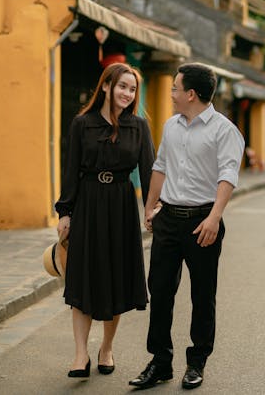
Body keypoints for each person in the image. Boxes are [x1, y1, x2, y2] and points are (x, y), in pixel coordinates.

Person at [129, 63, 244, 390]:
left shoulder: (225, 131)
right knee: (161, 291)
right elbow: (160, 167)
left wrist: (214, 217)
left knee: (202, 295)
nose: (172, 93)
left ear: (191, 94)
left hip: (202, 222)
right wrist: (150, 206)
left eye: (175, 88)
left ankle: (197, 363)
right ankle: (160, 362)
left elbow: (228, 175)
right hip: (168, 220)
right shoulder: (172, 126)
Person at [55, 63, 154, 378]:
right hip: (87, 204)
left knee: (116, 279)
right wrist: (65, 212)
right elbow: (70, 171)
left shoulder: (139, 127)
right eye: (122, 86)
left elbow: (150, 172)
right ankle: (80, 355)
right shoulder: (82, 124)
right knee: (83, 277)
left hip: (122, 207)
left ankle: (107, 348)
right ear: (107, 86)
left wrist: (152, 209)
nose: (128, 93)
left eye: (132, 88)